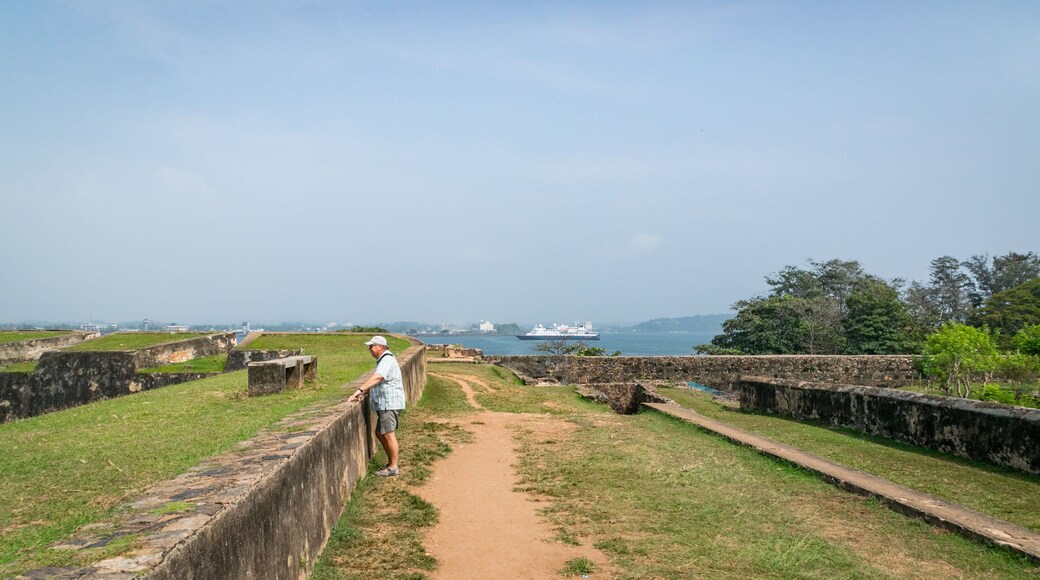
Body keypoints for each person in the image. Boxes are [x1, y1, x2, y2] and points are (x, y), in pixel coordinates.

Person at [349, 336, 406, 477]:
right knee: (380, 433)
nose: (370, 349)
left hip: (389, 403)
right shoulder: (384, 360)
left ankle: (393, 467)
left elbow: (378, 377)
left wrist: (360, 390)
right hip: (386, 403)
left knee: (388, 434)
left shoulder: (386, 360)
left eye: (371, 346)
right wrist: (366, 392)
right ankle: (391, 463)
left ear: (380, 346)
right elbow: (378, 381)